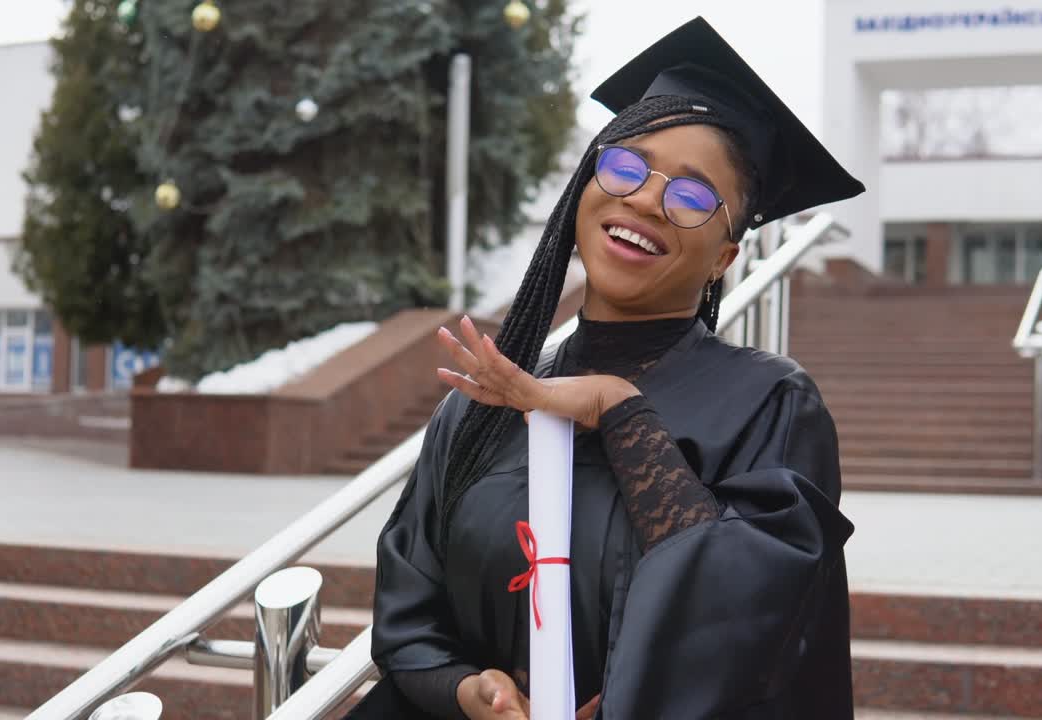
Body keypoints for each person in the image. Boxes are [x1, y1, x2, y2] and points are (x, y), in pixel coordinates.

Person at [349, 16, 865, 720]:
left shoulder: (768, 406)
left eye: (691, 196)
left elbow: (755, 624)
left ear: (724, 257)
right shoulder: (488, 399)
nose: (646, 199)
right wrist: (466, 689)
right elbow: (413, 608)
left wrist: (620, 411)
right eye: (625, 166)